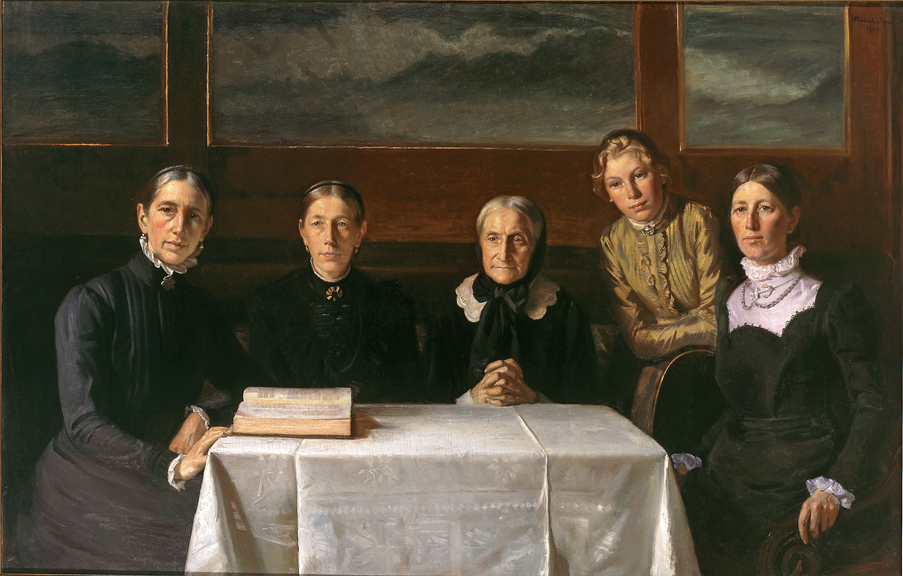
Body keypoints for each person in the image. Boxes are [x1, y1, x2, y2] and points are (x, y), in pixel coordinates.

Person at [15, 166, 271, 572]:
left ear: (207, 229)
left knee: (249, 522)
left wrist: (203, 414)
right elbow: (83, 423)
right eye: (167, 210)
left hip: (171, 464)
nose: (179, 227)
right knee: (207, 539)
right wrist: (166, 465)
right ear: (142, 217)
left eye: (194, 217)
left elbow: (253, 388)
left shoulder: (200, 308)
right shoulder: (91, 301)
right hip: (89, 478)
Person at [678, 164, 888, 574]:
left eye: (765, 208)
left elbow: (872, 400)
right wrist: (694, 456)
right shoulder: (727, 296)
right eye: (740, 210)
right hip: (727, 474)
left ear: (792, 218)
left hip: (800, 479)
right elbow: (738, 408)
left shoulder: (832, 300)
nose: (750, 223)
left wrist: (834, 485)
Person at [247, 181, 420, 403]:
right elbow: (264, 396)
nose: (330, 238)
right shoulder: (269, 303)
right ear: (303, 232)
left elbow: (409, 396)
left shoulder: (391, 303)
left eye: (342, 224)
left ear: (360, 233)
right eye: (318, 223)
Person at [428, 195, 601, 405]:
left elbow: (586, 403)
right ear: (480, 245)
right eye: (493, 238)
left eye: (518, 240)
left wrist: (534, 399)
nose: (504, 253)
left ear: (537, 248)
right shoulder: (453, 307)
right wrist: (473, 398)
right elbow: (432, 400)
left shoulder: (565, 309)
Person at [594, 129, 722, 361]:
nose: (632, 193)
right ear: (607, 193)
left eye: (639, 175)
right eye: (616, 184)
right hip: (648, 363)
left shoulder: (698, 219)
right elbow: (637, 339)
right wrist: (692, 327)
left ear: (661, 174)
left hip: (710, 357)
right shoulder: (612, 240)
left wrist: (657, 335)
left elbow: (716, 322)